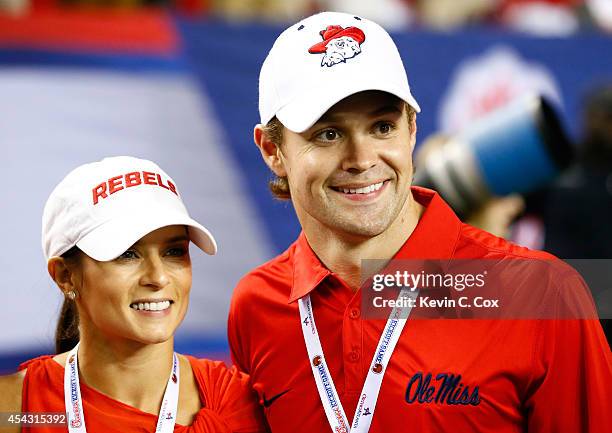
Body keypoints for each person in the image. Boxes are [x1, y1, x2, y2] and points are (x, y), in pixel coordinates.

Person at [227, 11, 611, 433]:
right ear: (271, 149)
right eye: (328, 134)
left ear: (412, 129)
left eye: (382, 126)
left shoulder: (541, 294)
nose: (362, 159)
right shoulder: (257, 306)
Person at [0, 156, 266, 433]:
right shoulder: (13, 413)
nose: (158, 277)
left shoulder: (241, 403)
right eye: (127, 254)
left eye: (174, 252)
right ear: (65, 276)